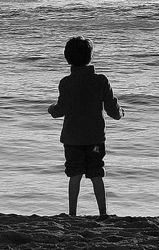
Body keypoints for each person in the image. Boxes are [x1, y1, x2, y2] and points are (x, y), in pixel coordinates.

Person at [48, 36, 124, 218]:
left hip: (72, 139)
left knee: (74, 175)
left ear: (67, 58)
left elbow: (61, 109)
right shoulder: (101, 81)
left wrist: (51, 109)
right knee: (97, 174)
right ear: (91, 56)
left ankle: (72, 213)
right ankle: (103, 213)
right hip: (95, 138)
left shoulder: (66, 82)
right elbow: (113, 109)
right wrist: (121, 113)